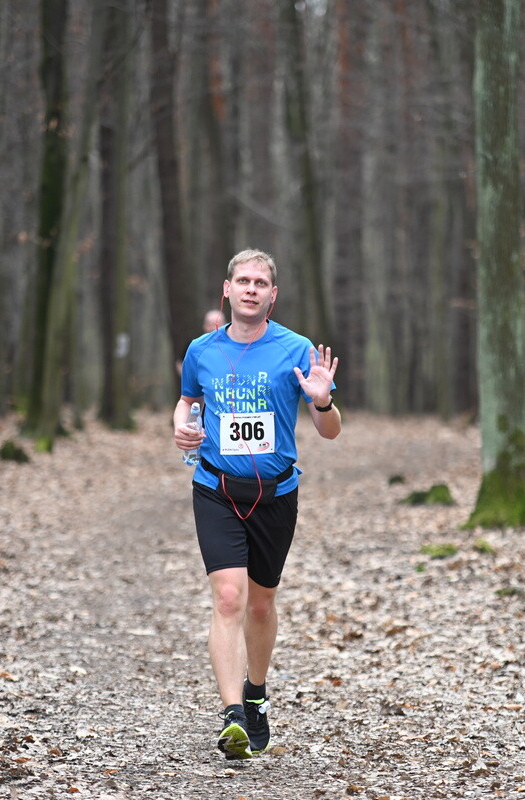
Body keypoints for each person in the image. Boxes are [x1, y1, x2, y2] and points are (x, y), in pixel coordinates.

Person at [173, 249, 341, 760]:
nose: (250, 288)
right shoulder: (202, 349)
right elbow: (187, 401)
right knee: (229, 597)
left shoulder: (295, 350)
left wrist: (321, 400)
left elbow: (330, 432)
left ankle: (256, 693)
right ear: (226, 290)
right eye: (242, 280)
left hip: (276, 495)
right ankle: (232, 717)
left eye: (260, 282)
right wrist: (181, 426)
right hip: (216, 489)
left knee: (262, 602)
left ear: (273, 294)